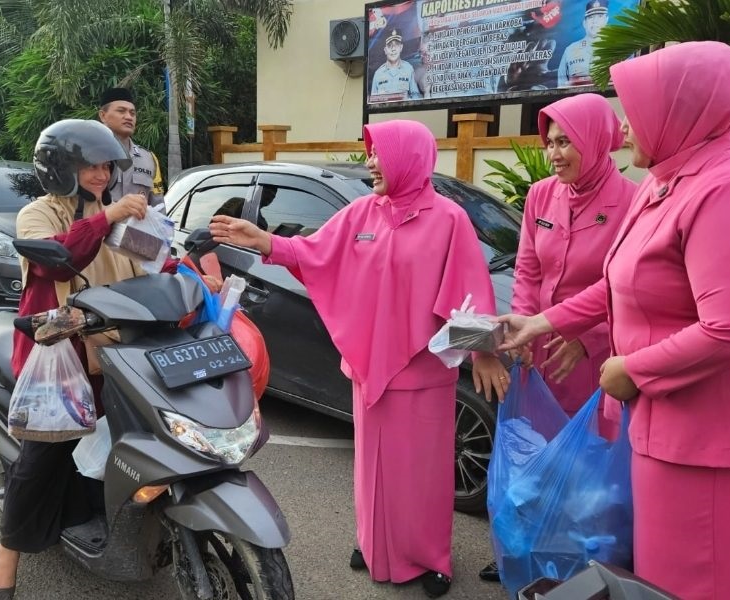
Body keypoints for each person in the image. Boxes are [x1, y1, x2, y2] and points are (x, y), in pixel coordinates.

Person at [497, 41, 730, 599]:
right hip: (670, 420)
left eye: (633, 108)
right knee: (663, 576)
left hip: (716, 429)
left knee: (705, 578)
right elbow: (618, 285)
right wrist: (539, 325)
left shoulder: (728, 188)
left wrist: (632, 370)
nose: (621, 126)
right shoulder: (671, 181)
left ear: (681, 110)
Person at [209, 119, 509, 598]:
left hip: (423, 371)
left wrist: (487, 354)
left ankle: (430, 558)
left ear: (407, 157)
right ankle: (374, 545)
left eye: (378, 153)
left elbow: (470, 293)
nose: (371, 162)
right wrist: (262, 239)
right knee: (373, 469)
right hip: (368, 368)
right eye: (369, 154)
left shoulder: (448, 218)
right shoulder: (364, 212)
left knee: (423, 473)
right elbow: (315, 253)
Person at [0, 119, 149, 600]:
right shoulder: (40, 214)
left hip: (116, 350)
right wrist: (108, 216)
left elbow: (156, 259)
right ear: (61, 168)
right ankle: (6, 554)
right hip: (59, 359)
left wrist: (199, 268)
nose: (100, 174)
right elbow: (56, 258)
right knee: (43, 455)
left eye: (105, 165)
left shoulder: (113, 215)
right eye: (90, 165)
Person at [478, 92, 636, 583]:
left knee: (589, 466)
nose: (555, 153)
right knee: (536, 456)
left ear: (595, 139)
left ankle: (583, 568)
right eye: (551, 142)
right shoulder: (541, 195)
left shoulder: (632, 202)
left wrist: (588, 337)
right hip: (540, 349)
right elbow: (526, 267)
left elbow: (629, 288)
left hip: (596, 358)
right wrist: (524, 321)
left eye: (567, 141)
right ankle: (525, 553)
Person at [97, 87, 166, 208]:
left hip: (137, 226)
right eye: (121, 111)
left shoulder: (149, 158)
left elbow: (158, 206)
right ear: (103, 115)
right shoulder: (89, 153)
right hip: (99, 225)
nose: (129, 117)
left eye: (132, 113)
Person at [557, 0, 609, 88]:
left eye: (600, 16)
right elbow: (561, 87)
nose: (595, 21)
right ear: (584, 23)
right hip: (577, 100)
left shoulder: (619, 48)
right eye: (591, 17)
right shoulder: (570, 51)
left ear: (606, 19)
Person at [370, 30, 421, 100]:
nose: (393, 49)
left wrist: (407, 100)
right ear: (385, 50)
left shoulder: (409, 69)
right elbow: (373, 101)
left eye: (396, 45)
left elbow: (416, 96)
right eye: (389, 46)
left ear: (401, 47)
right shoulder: (378, 74)